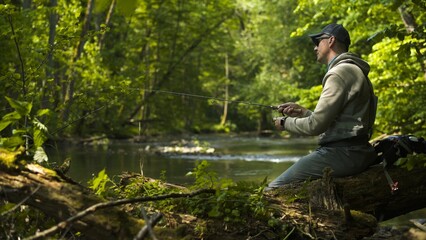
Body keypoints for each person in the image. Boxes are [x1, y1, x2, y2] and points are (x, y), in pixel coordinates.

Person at [266, 23, 377, 190]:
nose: (315, 48)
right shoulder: (353, 70)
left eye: (318, 42)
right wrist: (303, 112)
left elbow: (315, 126)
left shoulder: (338, 73)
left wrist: (284, 123)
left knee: (273, 189)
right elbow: (342, 122)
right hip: (358, 151)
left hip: (343, 154)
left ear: (331, 40)